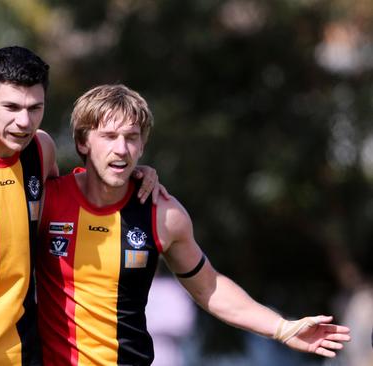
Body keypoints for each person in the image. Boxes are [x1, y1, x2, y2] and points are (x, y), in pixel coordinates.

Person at [35, 84, 351, 365]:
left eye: (131, 138)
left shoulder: (163, 215)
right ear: (82, 143)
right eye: (109, 137)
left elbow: (209, 288)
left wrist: (282, 328)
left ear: (142, 146)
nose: (121, 149)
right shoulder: (46, 199)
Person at [0, 46, 163, 366]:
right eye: (11, 107)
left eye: (34, 108)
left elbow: (76, 197)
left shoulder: (40, 150)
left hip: (24, 355)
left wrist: (132, 175)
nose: (23, 121)